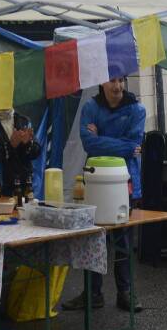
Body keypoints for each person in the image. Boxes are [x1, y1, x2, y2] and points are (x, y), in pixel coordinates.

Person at [61, 77, 146, 312]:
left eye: (121, 81)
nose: (117, 86)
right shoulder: (91, 107)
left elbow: (134, 141)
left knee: (123, 240)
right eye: (112, 81)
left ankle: (125, 291)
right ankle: (92, 293)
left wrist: (103, 140)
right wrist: (125, 147)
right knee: (93, 238)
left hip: (124, 181)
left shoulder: (137, 109)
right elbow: (90, 145)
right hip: (95, 180)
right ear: (102, 84)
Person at [0, 108, 41, 197]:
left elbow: (36, 152)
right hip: (0, 187)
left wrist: (28, 144)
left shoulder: (24, 120)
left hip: (25, 185)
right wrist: (9, 146)